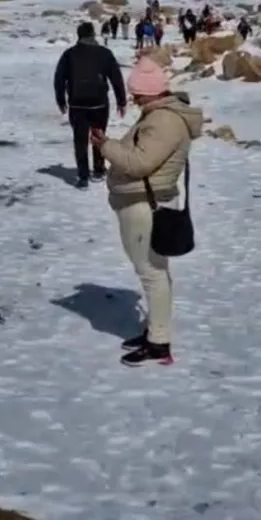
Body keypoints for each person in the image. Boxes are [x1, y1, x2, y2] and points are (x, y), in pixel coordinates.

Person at [91, 56, 203, 366]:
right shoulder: (159, 116)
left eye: (138, 93)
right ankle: (156, 333)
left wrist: (105, 146)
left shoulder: (164, 120)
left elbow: (140, 163)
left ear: (152, 91)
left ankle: (158, 342)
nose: (135, 99)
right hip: (148, 203)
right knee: (155, 272)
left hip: (145, 206)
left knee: (152, 273)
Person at [54, 21, 126, 188]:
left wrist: (61, 100)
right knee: (98, 136)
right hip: (99, 103)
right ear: (93, 35)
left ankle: (83, 176)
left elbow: (59, 79)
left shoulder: (69, 54)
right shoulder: (104, 53)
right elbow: (116, 77)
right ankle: (99, 170)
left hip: (77, 104)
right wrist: (121, 101)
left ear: (79, 35)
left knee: (80, 140)